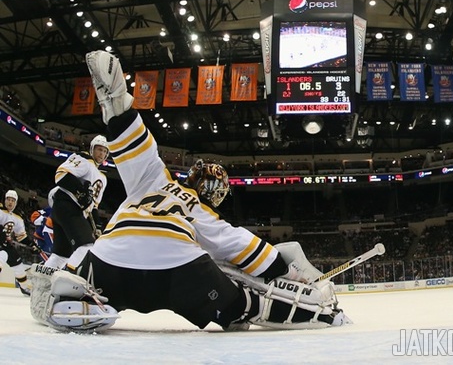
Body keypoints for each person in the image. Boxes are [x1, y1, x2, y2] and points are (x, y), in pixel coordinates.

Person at [29, 50, 349, 333]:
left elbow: (136, 148)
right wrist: (286, 269)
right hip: (180, 272)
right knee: (244, 304)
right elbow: (246, 250)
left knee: (83, 255)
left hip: (110, 264)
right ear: (215, 193)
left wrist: (117, 107)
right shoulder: (201, 212)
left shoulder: (155, 178)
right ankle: (322, 316)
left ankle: (73, 294)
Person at [43, 135, 109, 270]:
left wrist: (97, 226)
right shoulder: (85, 159)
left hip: (68, 211)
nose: (101, 153)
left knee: (61, 255)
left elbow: (93, 206)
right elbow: (61, 175)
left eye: (104, 151)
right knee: (87, 246)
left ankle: (42, 285)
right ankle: (68, 278)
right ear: (92, 149)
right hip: (67, 206)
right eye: (99, 149)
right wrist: (80, 192)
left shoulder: (102, 177)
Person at [0, 190, 42, 295]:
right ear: (4, 200)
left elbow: (21, 236)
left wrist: (32, 245)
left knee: (18, 264)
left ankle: (24, 286)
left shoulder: (17, 218)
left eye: (13, 200)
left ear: (16, 202)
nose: (10, 202)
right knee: (2, 257)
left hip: (5, 244)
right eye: (8, 199)